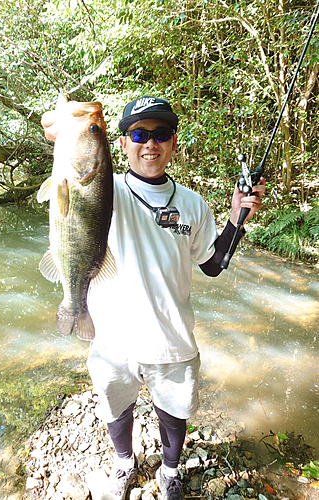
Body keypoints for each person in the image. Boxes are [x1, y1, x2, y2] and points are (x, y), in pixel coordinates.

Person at [41, 96, 266, 500]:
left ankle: (170, 469)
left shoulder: (193, 204)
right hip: (112, 339)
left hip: (172, 339)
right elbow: (72, 168)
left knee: (175, 412)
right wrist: (60, 132)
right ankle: (124, 462)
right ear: (123, 144)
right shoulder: (107, 188)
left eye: (160, 134)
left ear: (174, 142)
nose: (150, 144)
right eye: (139, 134)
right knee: (116, 408)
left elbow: (212, 265)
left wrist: (236, 217)